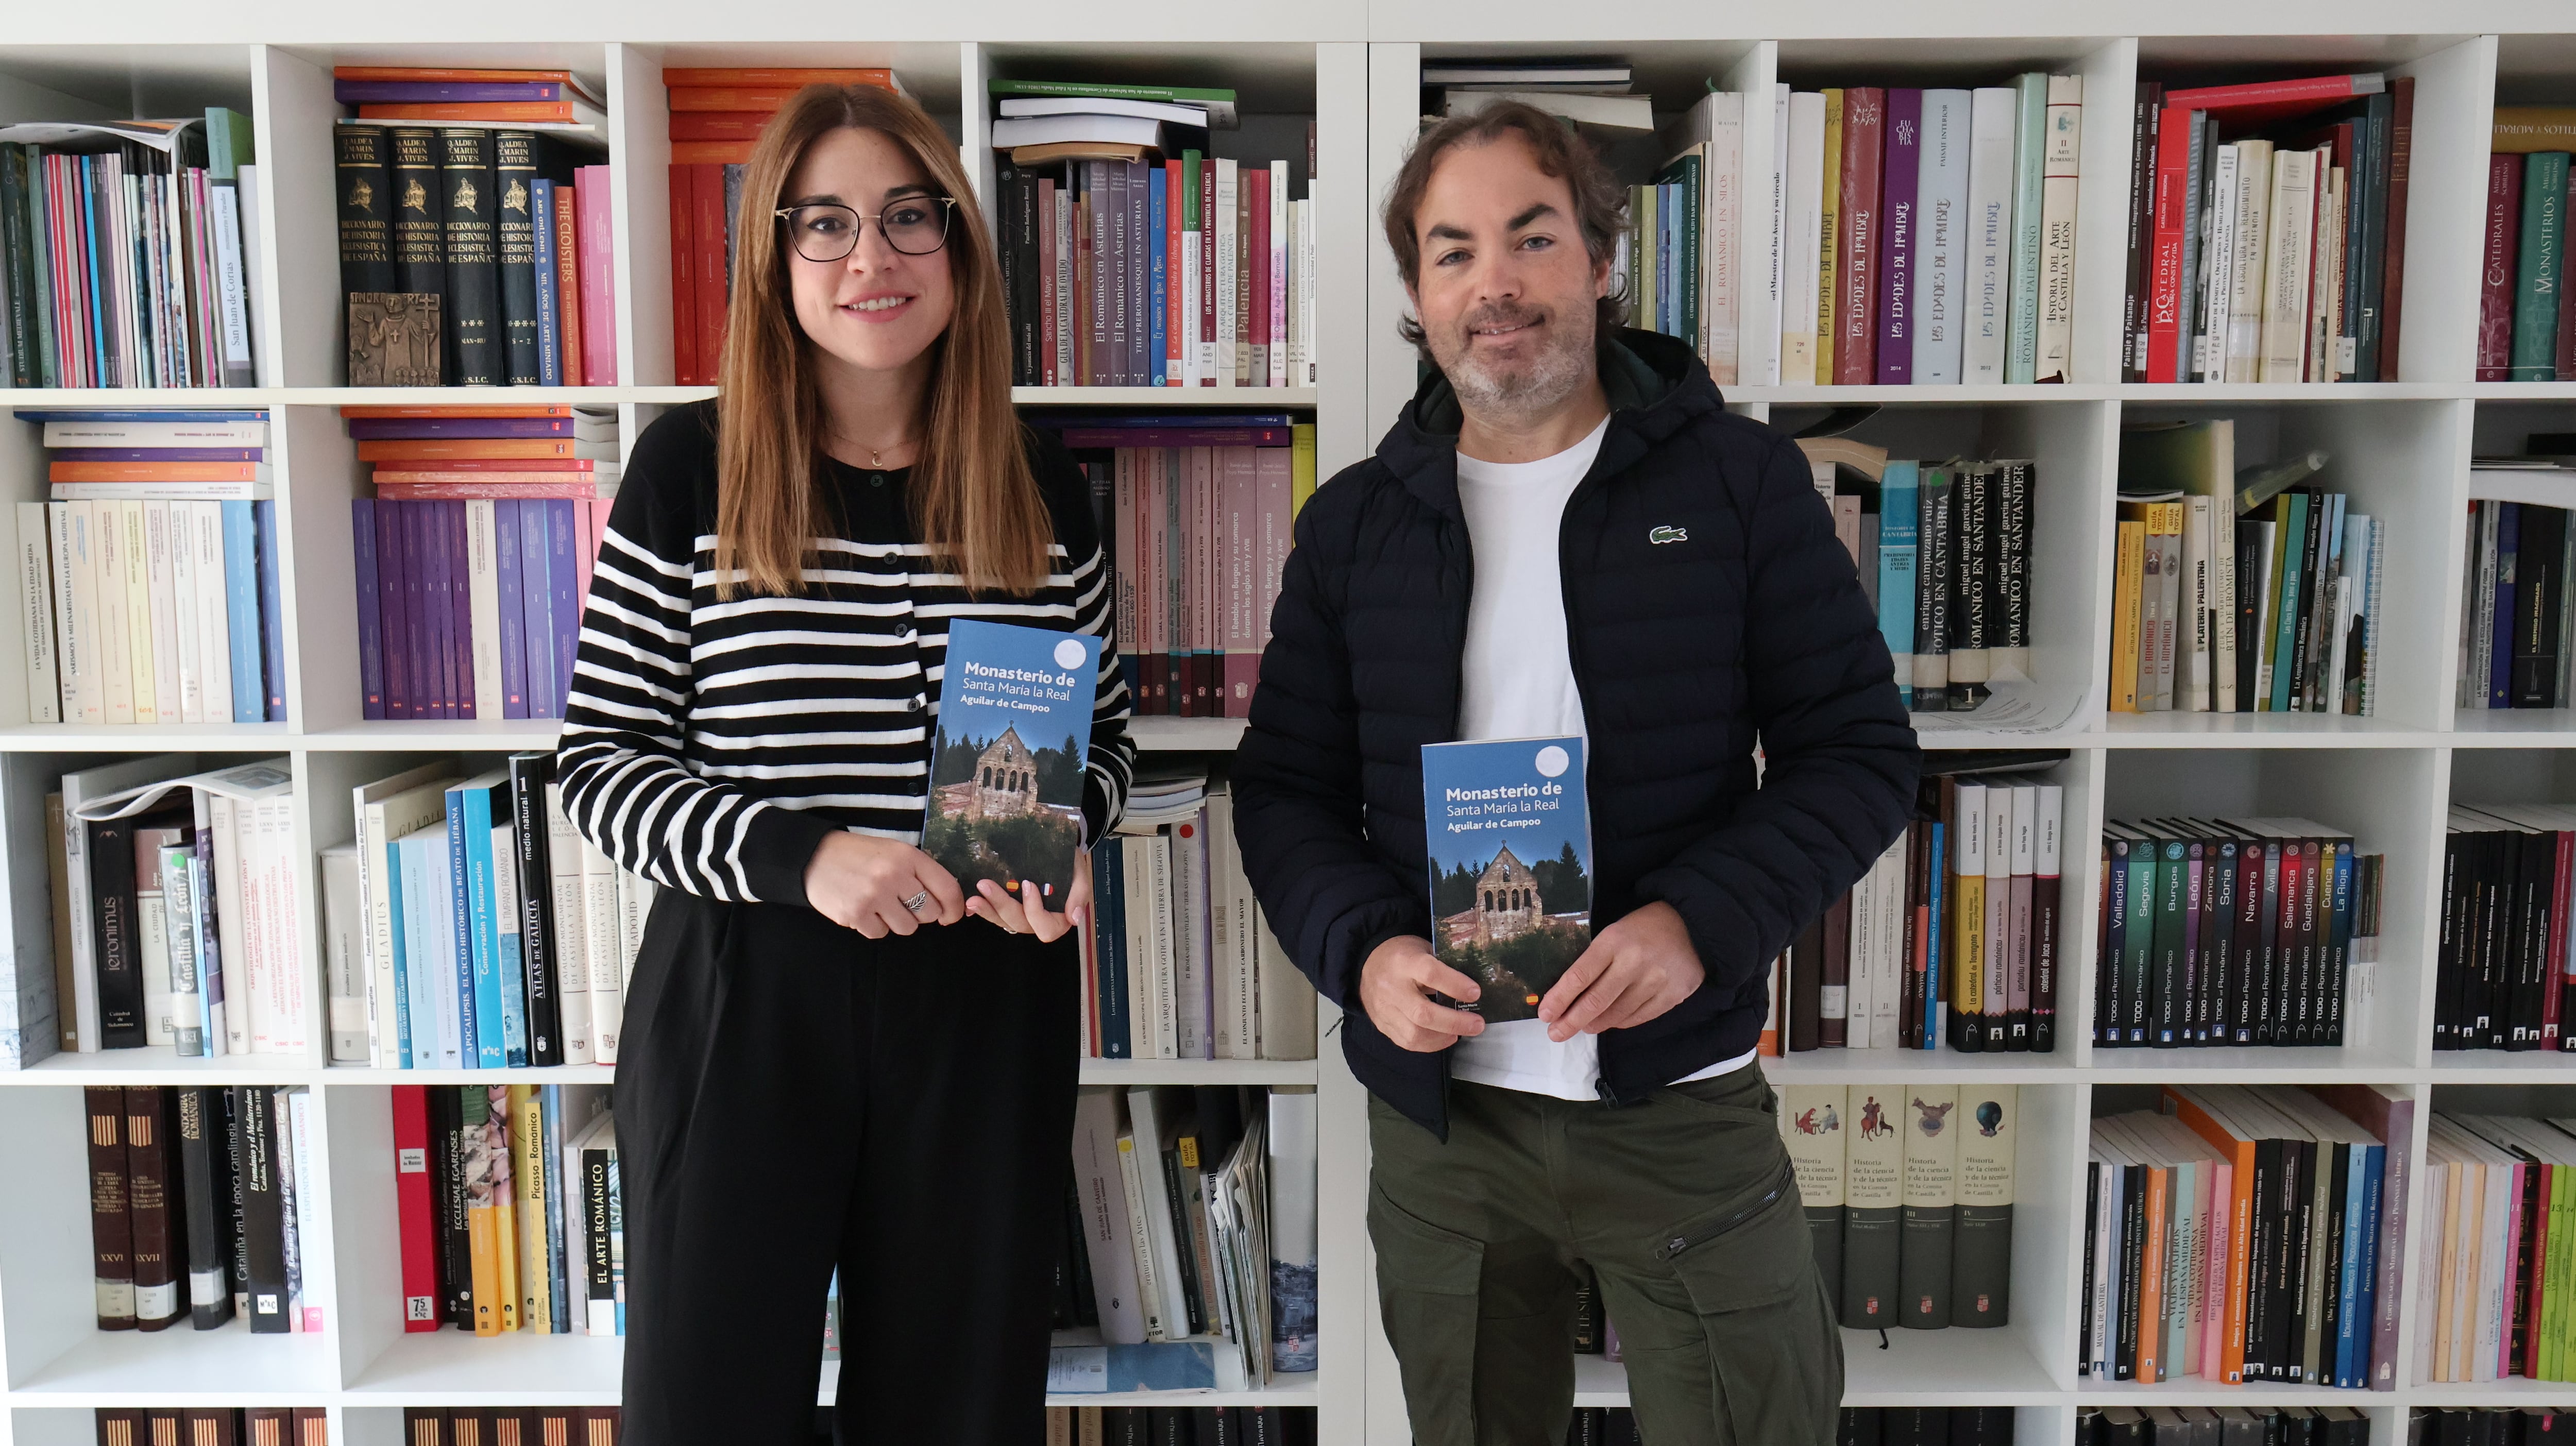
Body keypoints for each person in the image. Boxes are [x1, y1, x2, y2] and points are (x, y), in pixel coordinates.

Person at [1229, 100, 1919, 1446]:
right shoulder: (1356, 527)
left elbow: (1860, 755)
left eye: (1532, 237)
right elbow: (1283, 794)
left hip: (1679, 1110)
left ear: (1601, 262)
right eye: (1452, 251)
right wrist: (1363, 954)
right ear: (1420, 299)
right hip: (1445, 1133)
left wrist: (1699, 926)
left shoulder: (1739, 485)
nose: (1496, 280)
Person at [554, 83, 1134, 1446]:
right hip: (747, 1002)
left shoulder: (1042, 482)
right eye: (825, 225)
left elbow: (1102, 743)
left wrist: (1061, 838)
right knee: (709, 1413)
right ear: (776, 259)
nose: (870, 259)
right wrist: (804, 855)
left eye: (905, 218)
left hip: (986, 1001)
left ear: (959, 248)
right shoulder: (692, 469)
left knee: (958, 1410)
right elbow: (599, 763)